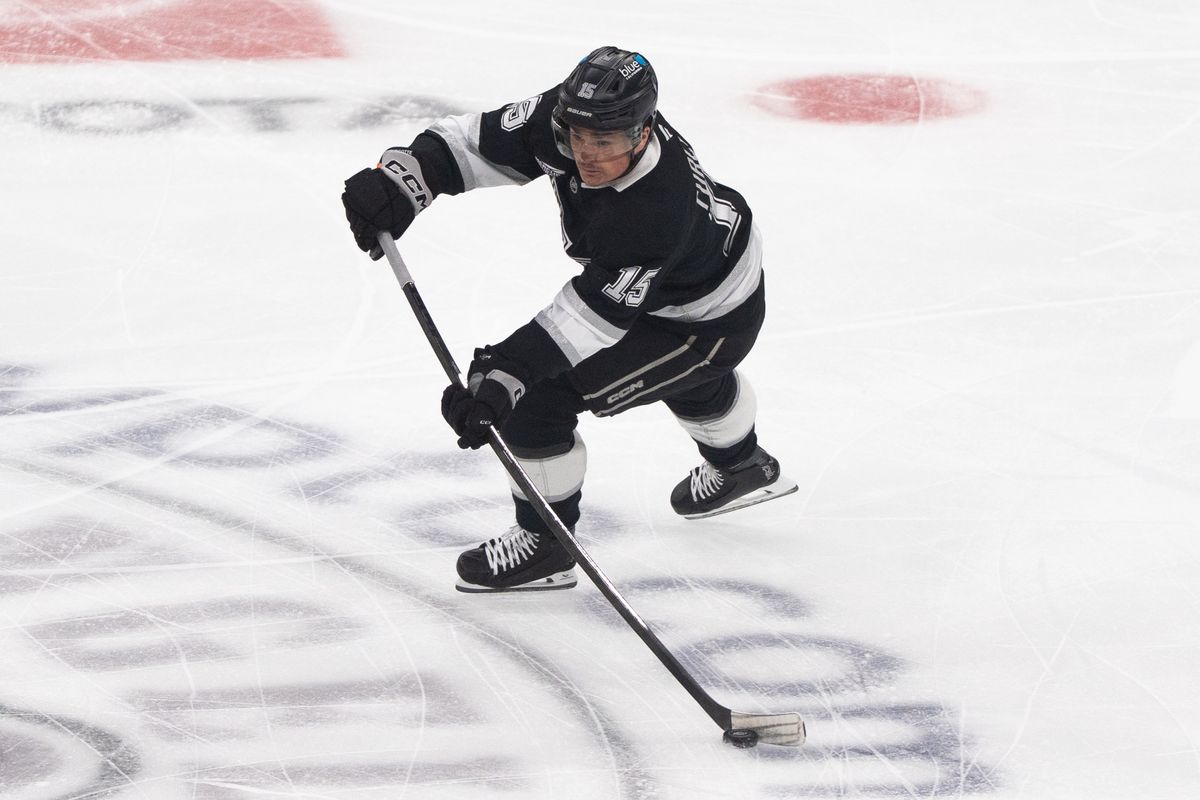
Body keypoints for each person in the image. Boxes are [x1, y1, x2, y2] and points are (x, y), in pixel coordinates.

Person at [342, 46, 797, 593]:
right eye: (577, 138)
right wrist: (401, 180)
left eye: (603, 143)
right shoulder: (569, 119)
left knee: (538, 400)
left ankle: (547, 546)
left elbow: (590, 322)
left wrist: (507, 375)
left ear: (643, 131)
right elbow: (468, 145)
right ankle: (742, 465)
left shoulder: (655, 210)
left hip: (705, 324)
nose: (586, 154)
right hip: (700, 275)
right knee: (679, 379)